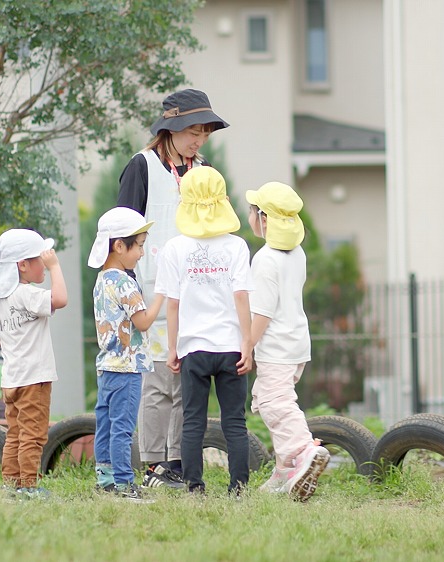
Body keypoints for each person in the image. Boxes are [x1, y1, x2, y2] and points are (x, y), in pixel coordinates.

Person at [117, 88, 230, 489]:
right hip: (151, 292)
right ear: (170, 128)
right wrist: (126, 292)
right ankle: (152, 465)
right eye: (191, 130)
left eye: (204, 132)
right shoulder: (142, 166)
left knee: (188, 385)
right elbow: (123, 232)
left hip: (197, 294)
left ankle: (178, 462)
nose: (197, 139)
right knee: (157, 385)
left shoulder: (204, 171)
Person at [154, 166, 253, 495]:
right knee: (234, 422)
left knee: (192, 421)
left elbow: (173, 304)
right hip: (231, 348)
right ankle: (238, 488)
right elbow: (242, 298)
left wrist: (172, 348)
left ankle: (194, 486)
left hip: (193, 348)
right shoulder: (237, 247)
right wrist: (248, 344)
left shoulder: (174, 249)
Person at [245, 182, 330, 501]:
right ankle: (284, 473)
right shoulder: (297, 253)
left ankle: (303, 450)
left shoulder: (265, 259)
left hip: (276, 346)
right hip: (297, 344)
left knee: (273, 402)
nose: (250, 216)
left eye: (253, 212)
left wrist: (246, 347)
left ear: (264, 218)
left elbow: (262, 313)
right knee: (274, 396)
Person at [87, 207, 164, 503]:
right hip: (128, 367)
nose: (142, 253)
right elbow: (142, 321)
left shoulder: (102, 280)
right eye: (140, 246)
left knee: (105, 424)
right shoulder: (124, 281)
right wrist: (162, 297)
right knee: (123, 427)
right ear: (119, 246)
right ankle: (123, 482)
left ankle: (105, 478)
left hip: (107, 365)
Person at [0, 228, 67, 501]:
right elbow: (60, 299)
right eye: (40, 259)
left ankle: (11, 484)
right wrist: (56, 267)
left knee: (15, 434)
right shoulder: (26, 294)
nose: (44, 263)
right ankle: (29, 487)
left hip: (11, 380)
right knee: (33, 435)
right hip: (34, 378)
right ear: (22, 265)